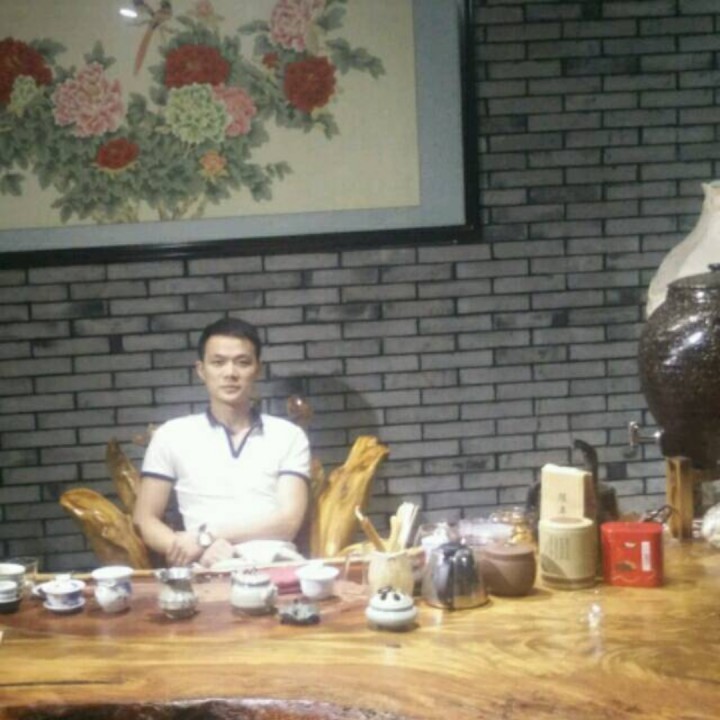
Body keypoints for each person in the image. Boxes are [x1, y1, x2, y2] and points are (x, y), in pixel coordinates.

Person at [133, 317, 311, 568]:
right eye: (218, 363)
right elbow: (145, 519)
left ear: (258, 369)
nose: (230, 373)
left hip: (274, 563)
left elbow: (288, 522)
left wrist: (207, 536)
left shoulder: (288, 435)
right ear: (201, 370)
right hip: (205, 566)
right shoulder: (172, 434)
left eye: (242, 362)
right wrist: (190, 549)